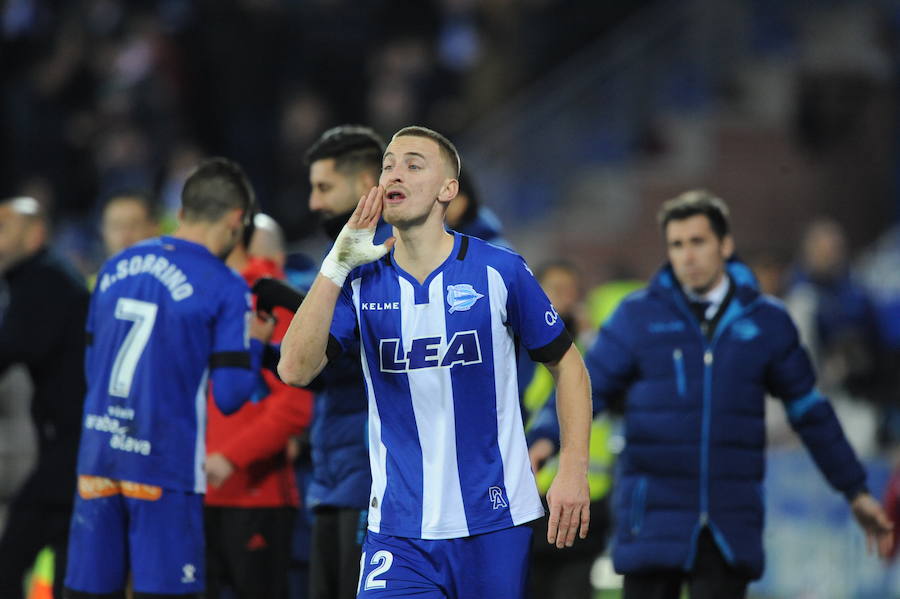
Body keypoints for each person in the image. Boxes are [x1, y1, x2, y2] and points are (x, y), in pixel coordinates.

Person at [279, 125, 592, 599]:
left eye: (413, 164)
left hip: (494, 520)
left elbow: (568, 365)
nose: (394, 173)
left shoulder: (499, 270)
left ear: (449, 190)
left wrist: (573, 468)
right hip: (398, 530)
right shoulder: (360, 281)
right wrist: (334, 266)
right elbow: (294, 369)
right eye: (387, 165)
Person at [539, 189, 892, 599]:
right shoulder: (638, 317)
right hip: (652, 521)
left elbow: (811, 412)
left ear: (724, 244)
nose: (687, 256)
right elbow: (587, 386)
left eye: (698, 242)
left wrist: (856, 490)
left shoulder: (765, 322)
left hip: (728, 526)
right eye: (676, 244)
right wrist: (545, 436)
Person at [64, 157, 275, 598]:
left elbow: (89, 370)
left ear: (181, 213)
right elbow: (232, 395)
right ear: (237, 221)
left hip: (98, 461)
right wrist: (255, 344)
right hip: (163, 467)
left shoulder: (112, 269)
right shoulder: (225, 285)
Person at [302, 124, 392, 599]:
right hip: (333, 472)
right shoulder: (340, 258)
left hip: (373, 477)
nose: (314, 202)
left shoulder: (391, 258)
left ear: (363, 185)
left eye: (324, 187)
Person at [204, 213, 313, 599]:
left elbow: (294, 406)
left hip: (255, 493)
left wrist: (230, 457)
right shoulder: (208, 300)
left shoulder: (271, 302)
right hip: (202, 491)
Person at [0, 196, 89, 599]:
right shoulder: (42, 277)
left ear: (35, 234)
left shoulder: (44, 282)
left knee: (13, 557)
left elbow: (12, 347)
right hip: (68, 447)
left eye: (4, 229)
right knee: (66, 563)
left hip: (71, 448)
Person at [524, 260, 614, 599]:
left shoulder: (596, 353)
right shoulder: (518, 351)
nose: (567, 300)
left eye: (573, 292)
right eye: (557, 291)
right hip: (529, 498)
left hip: (584, 497)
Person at [100, 190, 162, 258]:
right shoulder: (98, 268)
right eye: (116, 226)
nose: (125, 236)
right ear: (103, 231)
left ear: (153, 228)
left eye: (133, 226)